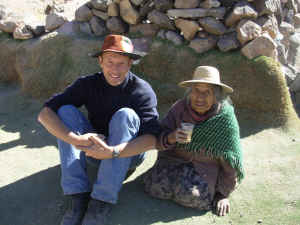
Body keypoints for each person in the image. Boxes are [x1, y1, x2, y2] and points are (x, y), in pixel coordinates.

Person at [79, 66, 244, 217]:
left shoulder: (225, 119)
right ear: (190, 92)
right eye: (195, 91)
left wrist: (223, 194)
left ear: (216, 96)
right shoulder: (180, 108)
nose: (199, 97)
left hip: (204, 168)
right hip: (173, 161)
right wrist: (171, 137)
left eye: (206, 92)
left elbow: (231, 159)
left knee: (193, 196)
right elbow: (158, 137)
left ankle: (195, 189)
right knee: (154, 187)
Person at [37, 34, 161, 225]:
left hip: (128, 154)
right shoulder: (87, 84)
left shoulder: (142, 91)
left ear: (130, 64)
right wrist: (76, 140)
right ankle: (77, 195)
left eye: (121, 63)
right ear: (100, 61)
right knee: (65, 111)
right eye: (110, 62)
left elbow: (153, 139)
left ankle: (101, 201)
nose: (115, 69)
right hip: (94, 151)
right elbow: (44, 114)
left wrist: (113, 152)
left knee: (126, 115)